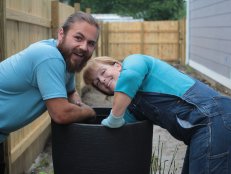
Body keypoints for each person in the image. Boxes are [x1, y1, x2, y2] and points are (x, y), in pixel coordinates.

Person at [83, 54, 231, 174]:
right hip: (202, 130)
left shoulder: (135, 61)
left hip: (214, 117)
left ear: (117, 65)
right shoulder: (132, 107)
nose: (102, 80)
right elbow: (121, 133)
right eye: (97, 83)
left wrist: (114, 118)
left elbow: (130, 77)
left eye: (103, 72)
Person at [0, 11, 99, 173]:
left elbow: (71, 94)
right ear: (61, 34)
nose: (83, 47)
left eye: (91, 43)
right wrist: (88, 112)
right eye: (78, 38)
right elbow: (61, 113)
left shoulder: (67, 60)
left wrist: (79, 106)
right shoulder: (49, 57)